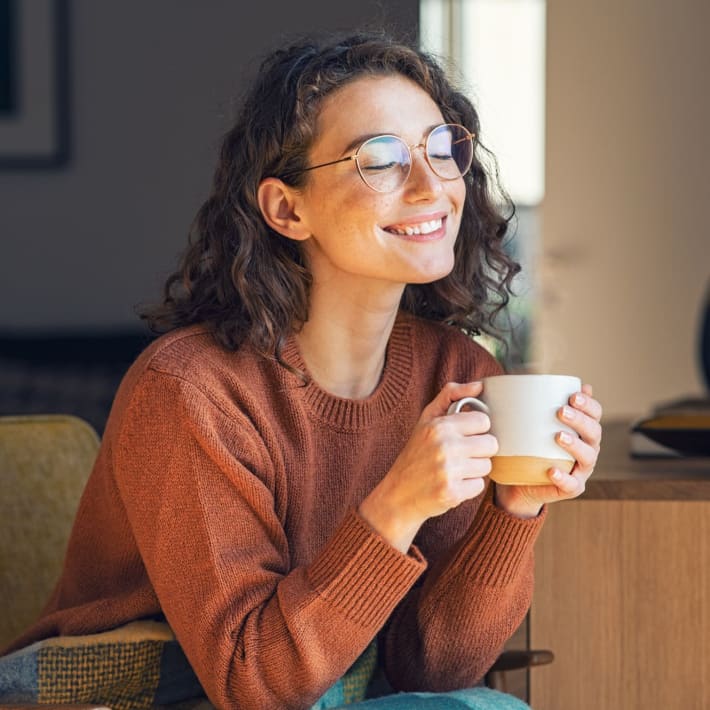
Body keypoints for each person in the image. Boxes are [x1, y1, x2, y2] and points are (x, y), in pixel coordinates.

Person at [2, 31, 602, 709]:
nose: (431, 183)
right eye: (380, 160)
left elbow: (430, 671)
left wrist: (513, 509)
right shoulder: (191, 391)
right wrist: (395, 506)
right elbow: (251, 684)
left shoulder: (456, 373)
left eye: (442, 148)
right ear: (288, 209)